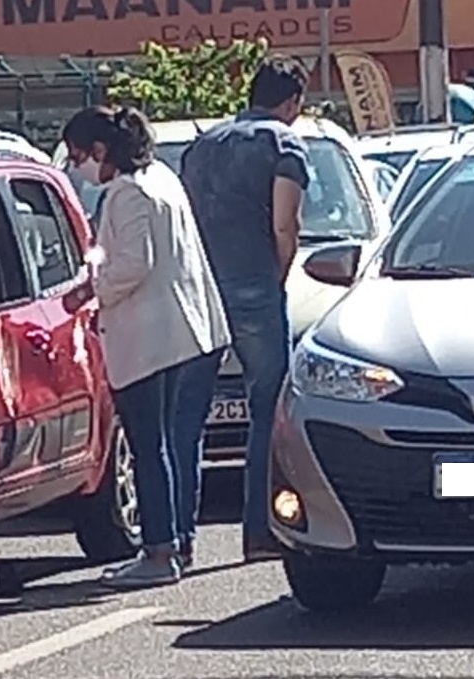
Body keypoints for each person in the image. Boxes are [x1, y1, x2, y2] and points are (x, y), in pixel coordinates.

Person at [61, 106, 230, 589]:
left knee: (149, 448)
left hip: (153, 338)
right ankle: (178, 540)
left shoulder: (128, 193)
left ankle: (158, 551)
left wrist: (90, 289)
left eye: (79, 158)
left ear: (101, 151)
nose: (79, 169)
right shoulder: (162, 179)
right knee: (177, 446)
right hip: (188, 332)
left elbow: (133, 264)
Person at [180, 56, 310, 561]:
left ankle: (177, 539)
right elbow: (285, 224)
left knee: (186, 413)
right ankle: (260, 532)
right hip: (254, 280)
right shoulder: (284, 144)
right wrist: (274, 276)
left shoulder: (201, 147)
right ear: (292, 102)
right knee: (268, 408)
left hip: (201, 289)